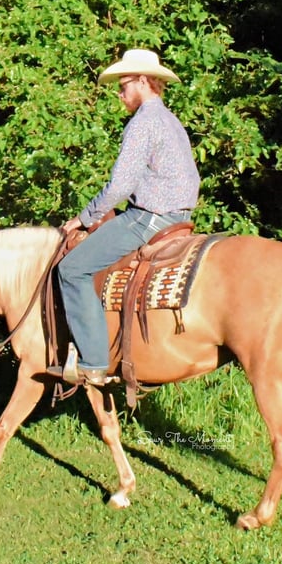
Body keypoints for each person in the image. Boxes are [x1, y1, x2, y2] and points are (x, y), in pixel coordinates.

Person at [47, 49, 201, 386]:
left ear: (144, 82)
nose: (119, 93)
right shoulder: (171, 120)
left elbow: (120, 184)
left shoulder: (143, 122)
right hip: (180, 216)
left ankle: (93, 362)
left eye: (124, 85)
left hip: (149, 218)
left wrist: (85, 217)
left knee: (71, 269)